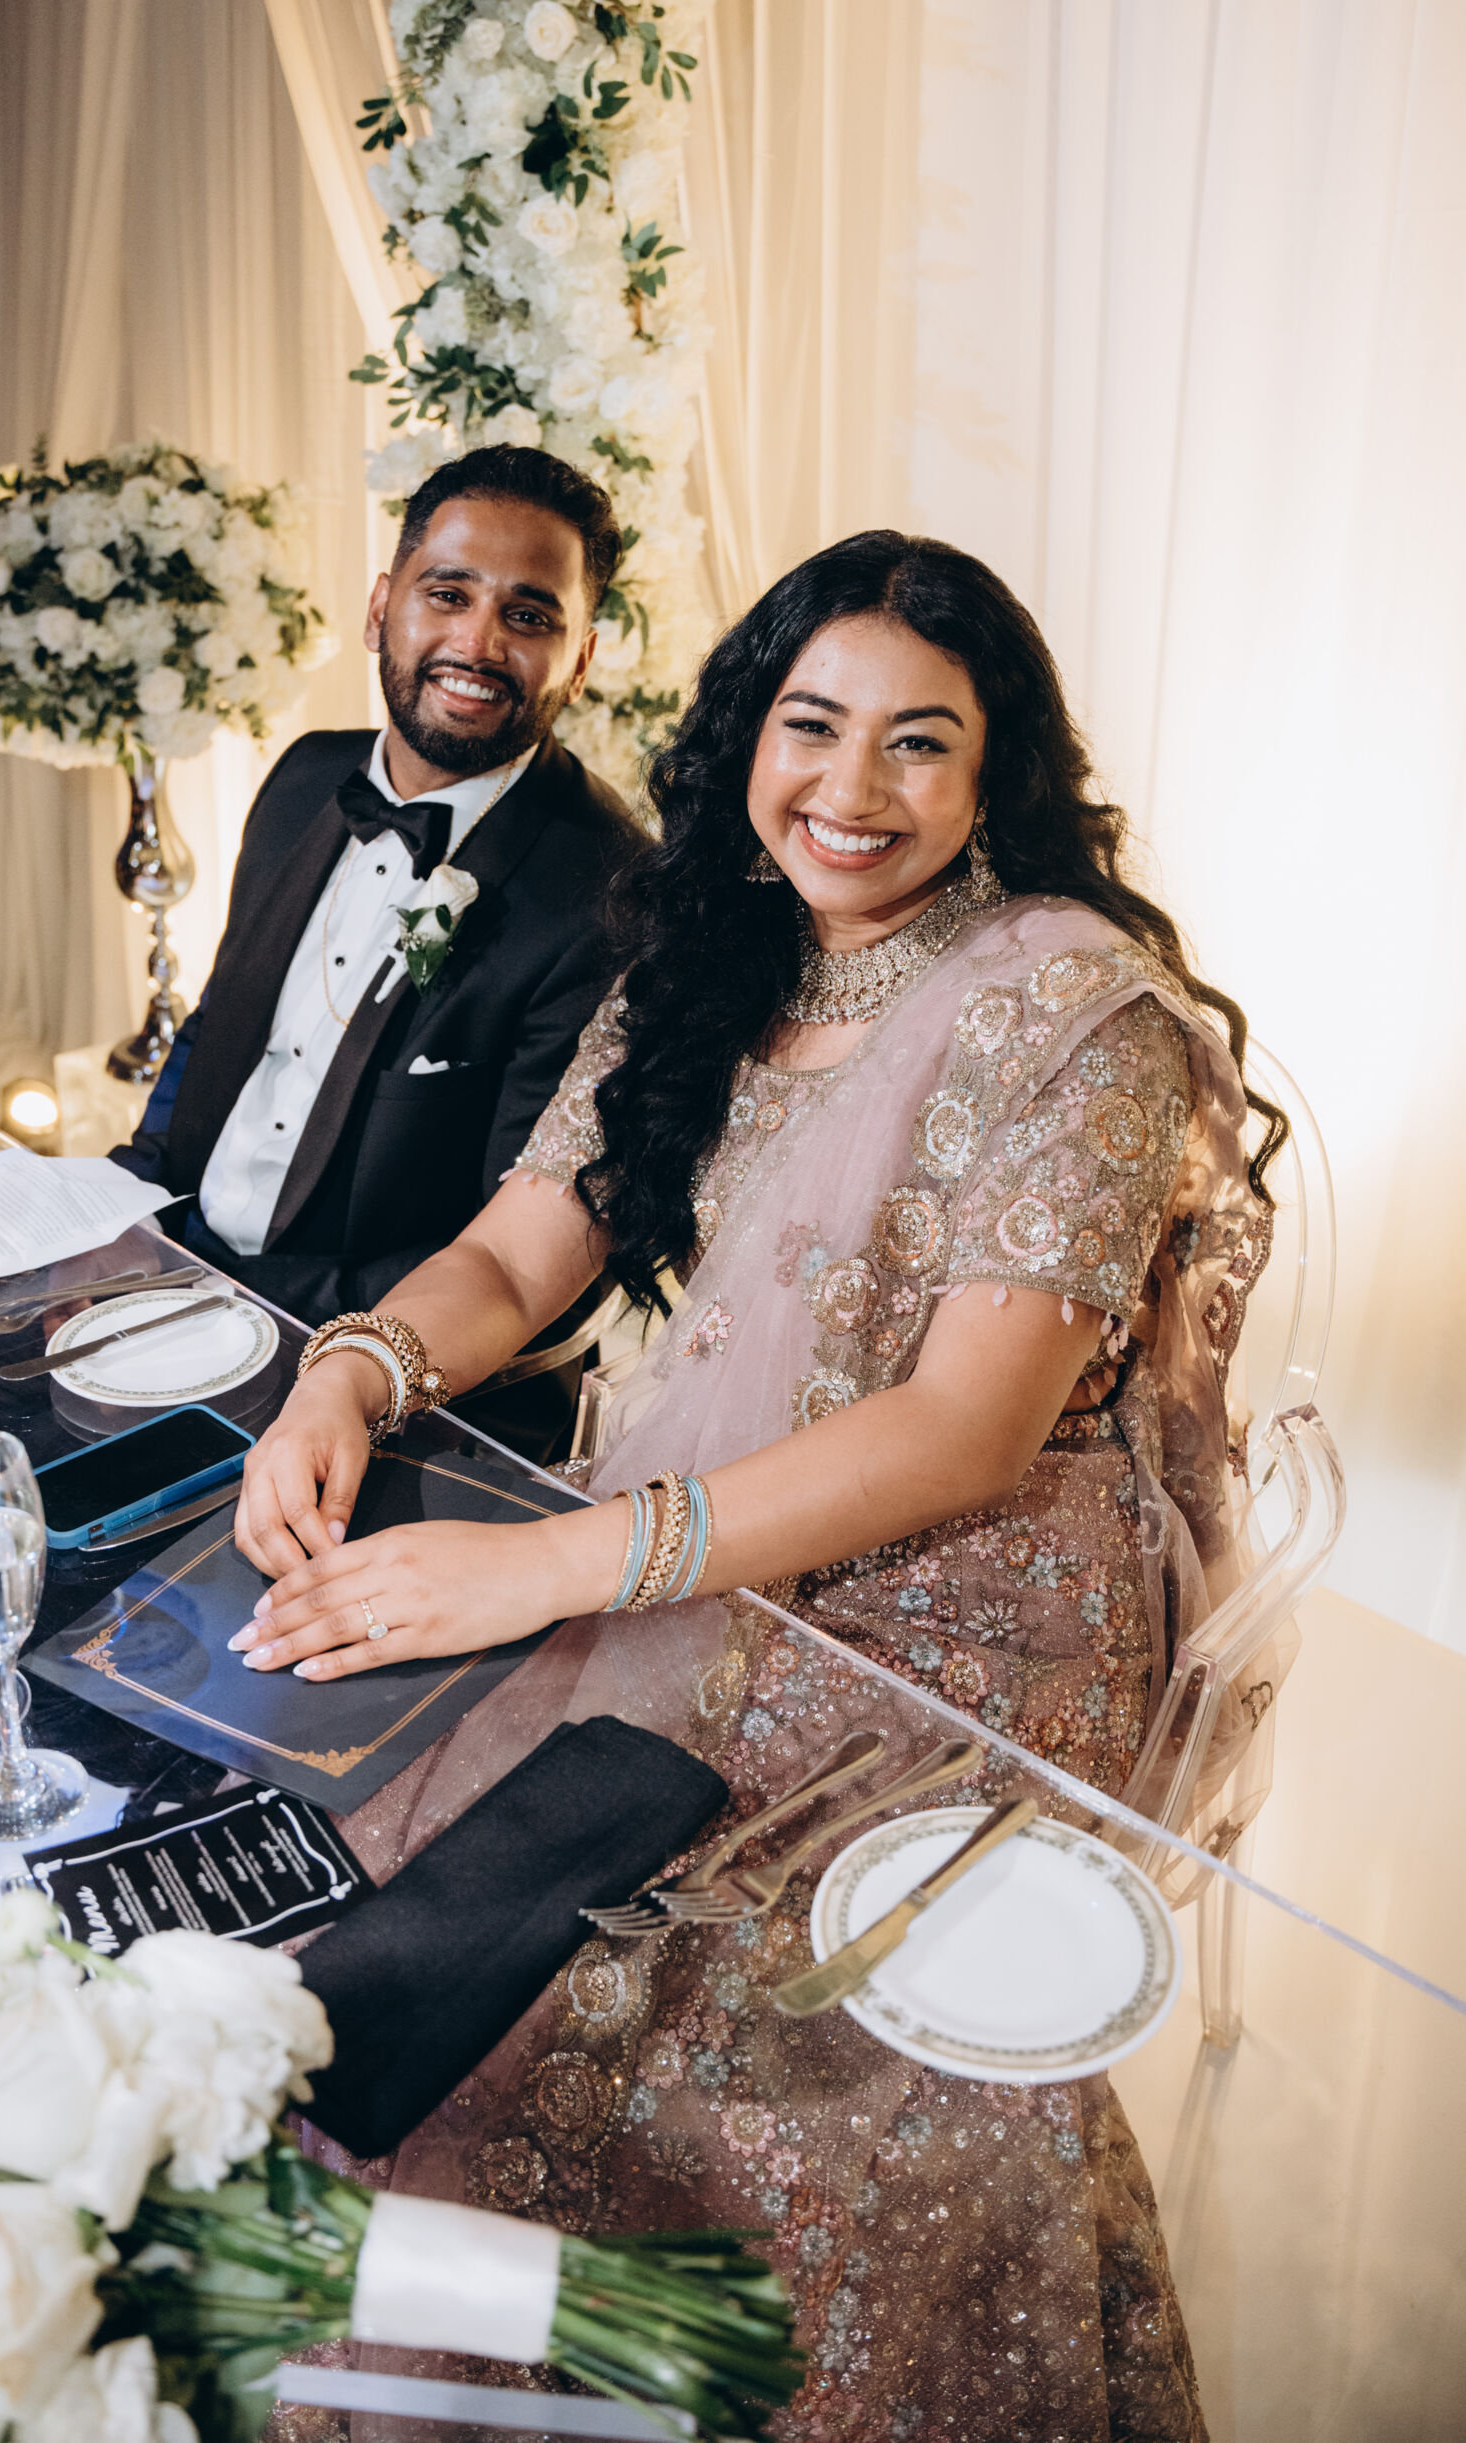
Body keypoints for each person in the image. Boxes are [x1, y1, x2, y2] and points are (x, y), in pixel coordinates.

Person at [230, 532, 1282, 2441]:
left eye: (918, 742)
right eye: (812, 725)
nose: (851, 788)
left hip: (975, 1610)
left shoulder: (1076, 1015)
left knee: (656, 1999)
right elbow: (523, 1249)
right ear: (746, 738)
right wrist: (352, 1370)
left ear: (994, 773)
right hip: (698, 1533)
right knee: (381, 1896)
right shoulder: (712, 955)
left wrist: (556, 1566)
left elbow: (964, 1428)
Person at [117, 444, 642, 1457]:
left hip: (399, 1392)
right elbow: (215, 1034)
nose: (477, 642)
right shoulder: (301, 779)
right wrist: (128, 1204)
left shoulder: (614, 900)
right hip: (175, 1287)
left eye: (529, 616)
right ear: (379, 608)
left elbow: (514, 1257)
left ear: (580, 660)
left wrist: (226, 1298)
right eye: (447, 594)